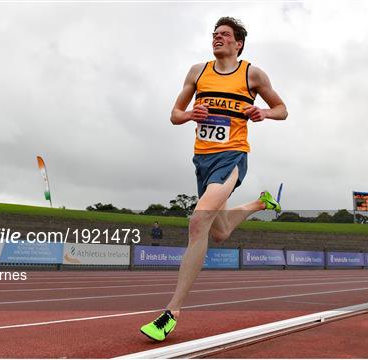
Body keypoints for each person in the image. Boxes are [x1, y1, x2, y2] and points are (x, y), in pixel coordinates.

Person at [140, 16, 287, 341]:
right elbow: (175, 115)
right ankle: (259, 203)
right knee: (218, 232)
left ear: (239, 43)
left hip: (233, 156)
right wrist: (190, 114)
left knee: (198, 222)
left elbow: (282, 108)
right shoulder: (198, 72)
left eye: (224, 35)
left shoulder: (252, 74)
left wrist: (264, 112)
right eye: (214, 34)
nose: (217, 38)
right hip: (202, 160)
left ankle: (171, 312)